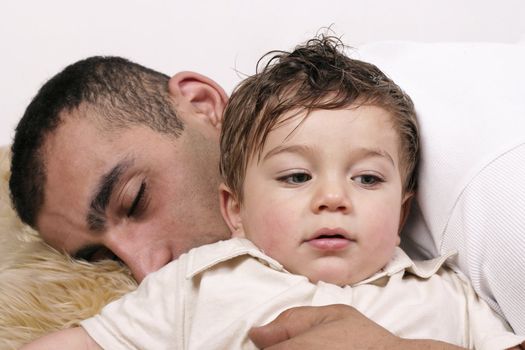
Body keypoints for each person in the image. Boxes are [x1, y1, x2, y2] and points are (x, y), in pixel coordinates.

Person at [20, 36, 524, 350]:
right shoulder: (200, 287)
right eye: (98, 257)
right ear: (232, 206)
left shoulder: (492, 192)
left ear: (201, 104)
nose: (144, 269)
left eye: (135, 199)